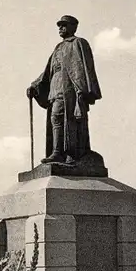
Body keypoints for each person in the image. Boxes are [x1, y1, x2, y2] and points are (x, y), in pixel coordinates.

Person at [26, 15, 101, 165]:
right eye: (59, 25)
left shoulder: (78, 43)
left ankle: (68, 153)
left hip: (69, 90)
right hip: (55, 89)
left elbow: (84, 68)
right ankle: (57, 152)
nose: (60, 28)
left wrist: (82, 91)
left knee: (65, 119)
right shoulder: (58, 48)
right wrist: (35, 85)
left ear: (73, 27)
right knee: (56, 119)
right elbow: (48, 72)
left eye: (64, 25)